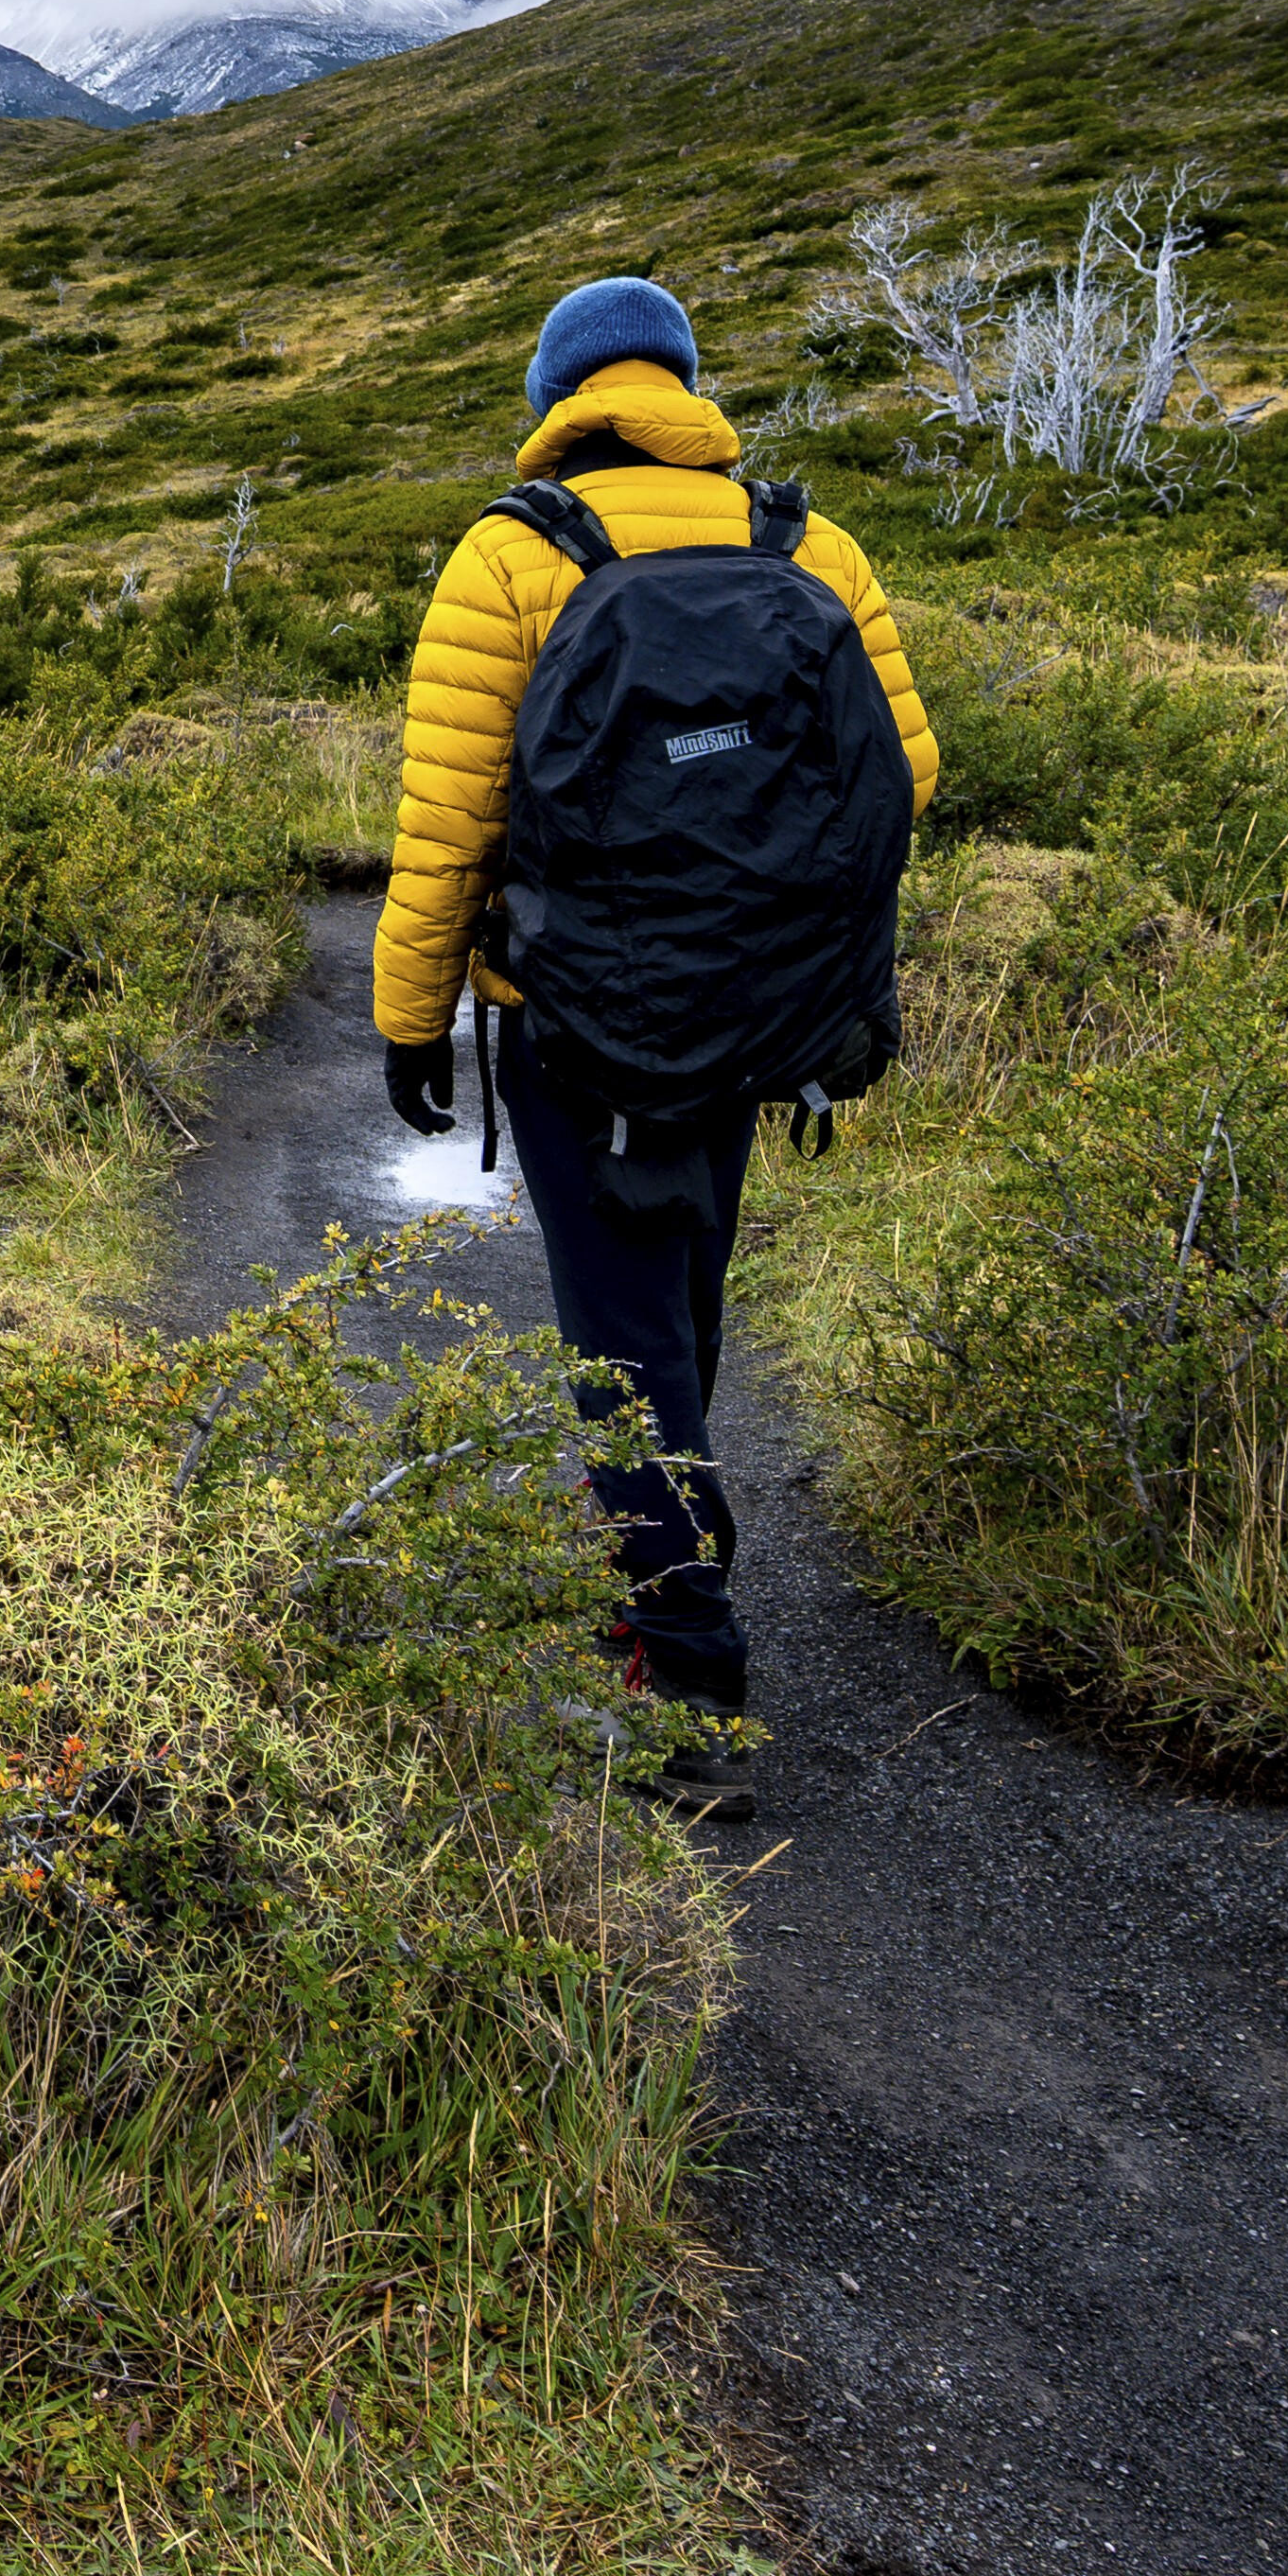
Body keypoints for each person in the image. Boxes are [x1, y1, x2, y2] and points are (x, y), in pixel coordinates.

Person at [371, 273, 936, 1729]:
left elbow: (451, 825)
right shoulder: (805, 541)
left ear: (556, 398)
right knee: (674, 1299)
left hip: (582, 1024)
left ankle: (685, 1667)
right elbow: (906, 778)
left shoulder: (509, 556)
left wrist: (410, 1017)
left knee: (621, 1339)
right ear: (686, 387)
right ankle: (664, 1558)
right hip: (760, 1006)